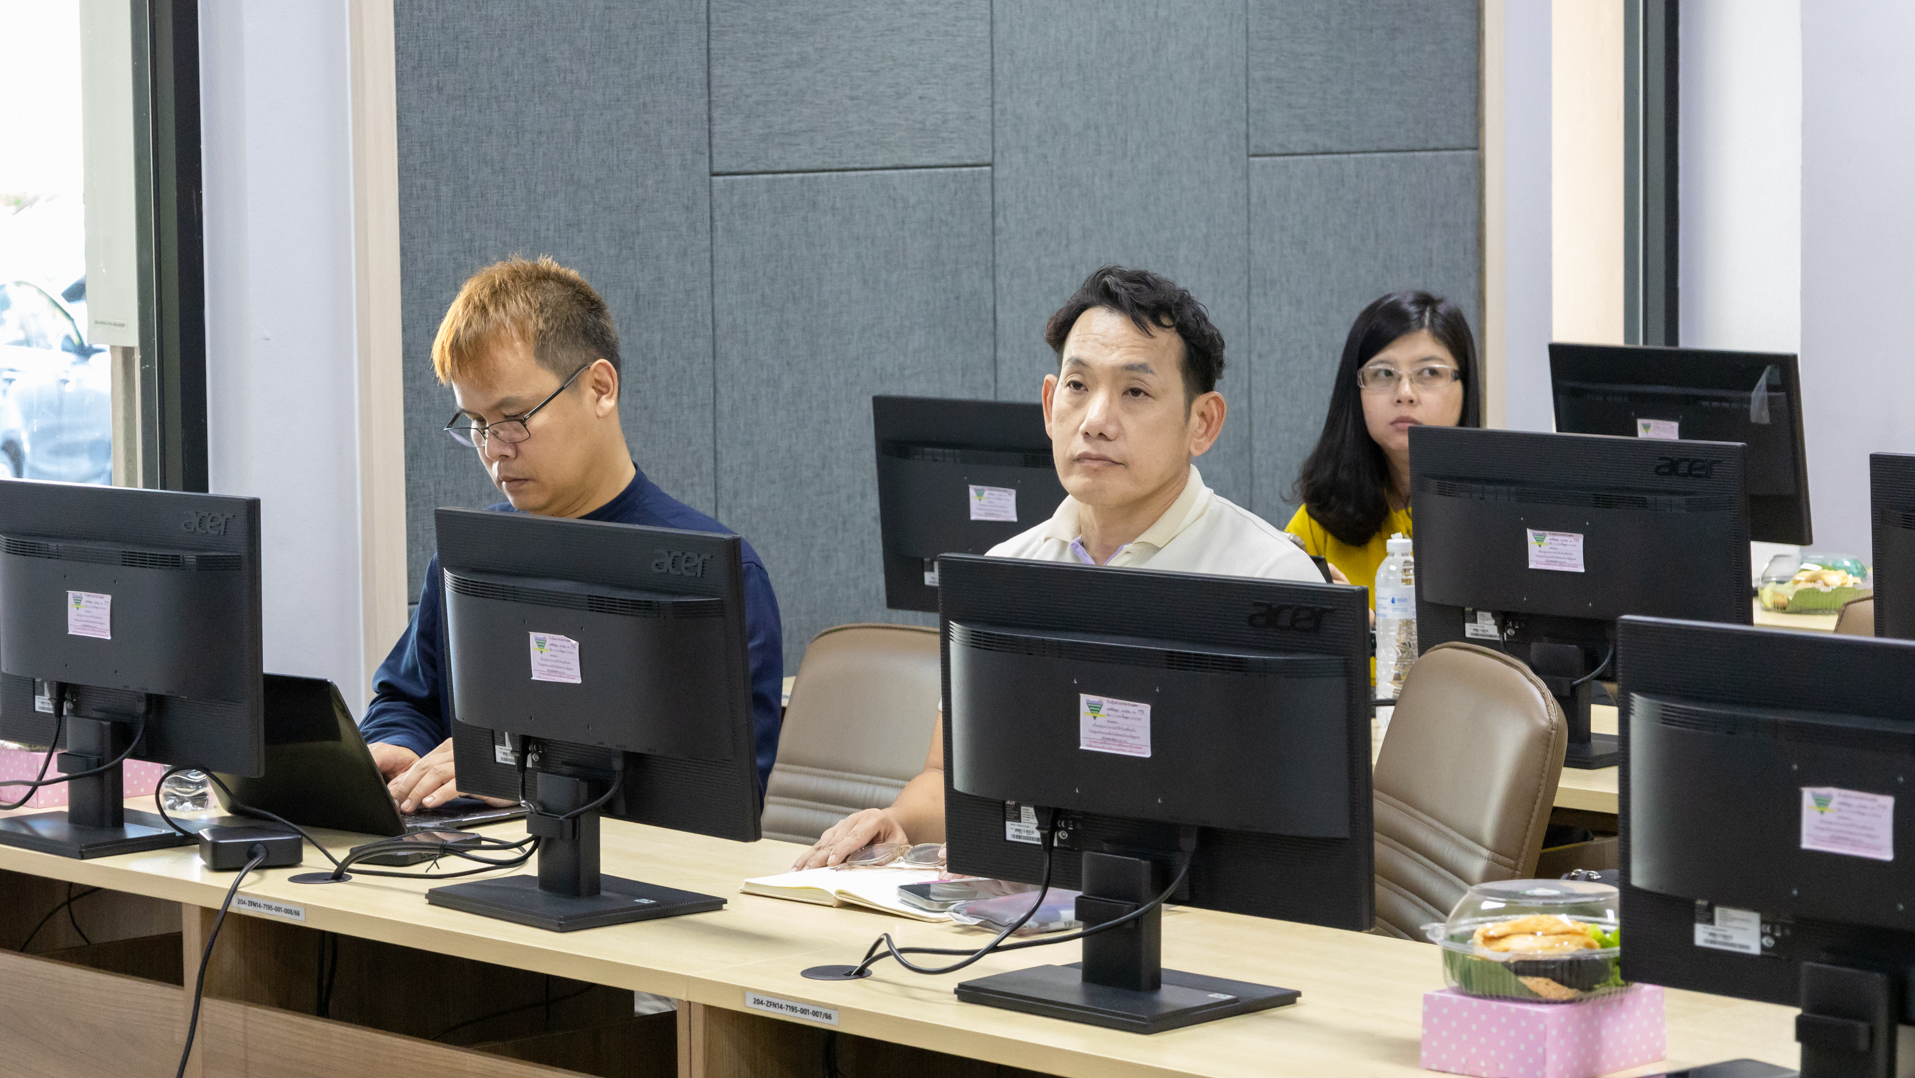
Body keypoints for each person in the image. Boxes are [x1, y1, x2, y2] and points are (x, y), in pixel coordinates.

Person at [792, 265, 1325, 869]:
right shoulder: (1005, 573)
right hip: (1036, 903)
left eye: (1135, 392)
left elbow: (1302, 823)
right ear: (1050, 406)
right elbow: (948, 776)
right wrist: (899, 823)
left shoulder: (1272, 581)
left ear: (1201, 423)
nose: (1096, 419)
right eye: (1078, 386)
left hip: (1204, 911)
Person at [361, 257, 784, 811]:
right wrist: (396, 745)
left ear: (600, 388)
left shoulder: (715, 576)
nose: (494, 449)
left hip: (623, 860)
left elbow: (715, 796)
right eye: (477, 424)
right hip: (465, 848)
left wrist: (520, 773)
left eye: (514, 417)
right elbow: (407, 700)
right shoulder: (469, 557)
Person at [1284, 290, 1481, 610]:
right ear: (1356, 390)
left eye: (1429, 372)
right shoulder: (1321, 519)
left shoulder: (1497, 519)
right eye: (1384, 373)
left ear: (1466, 386)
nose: (1405, 393)